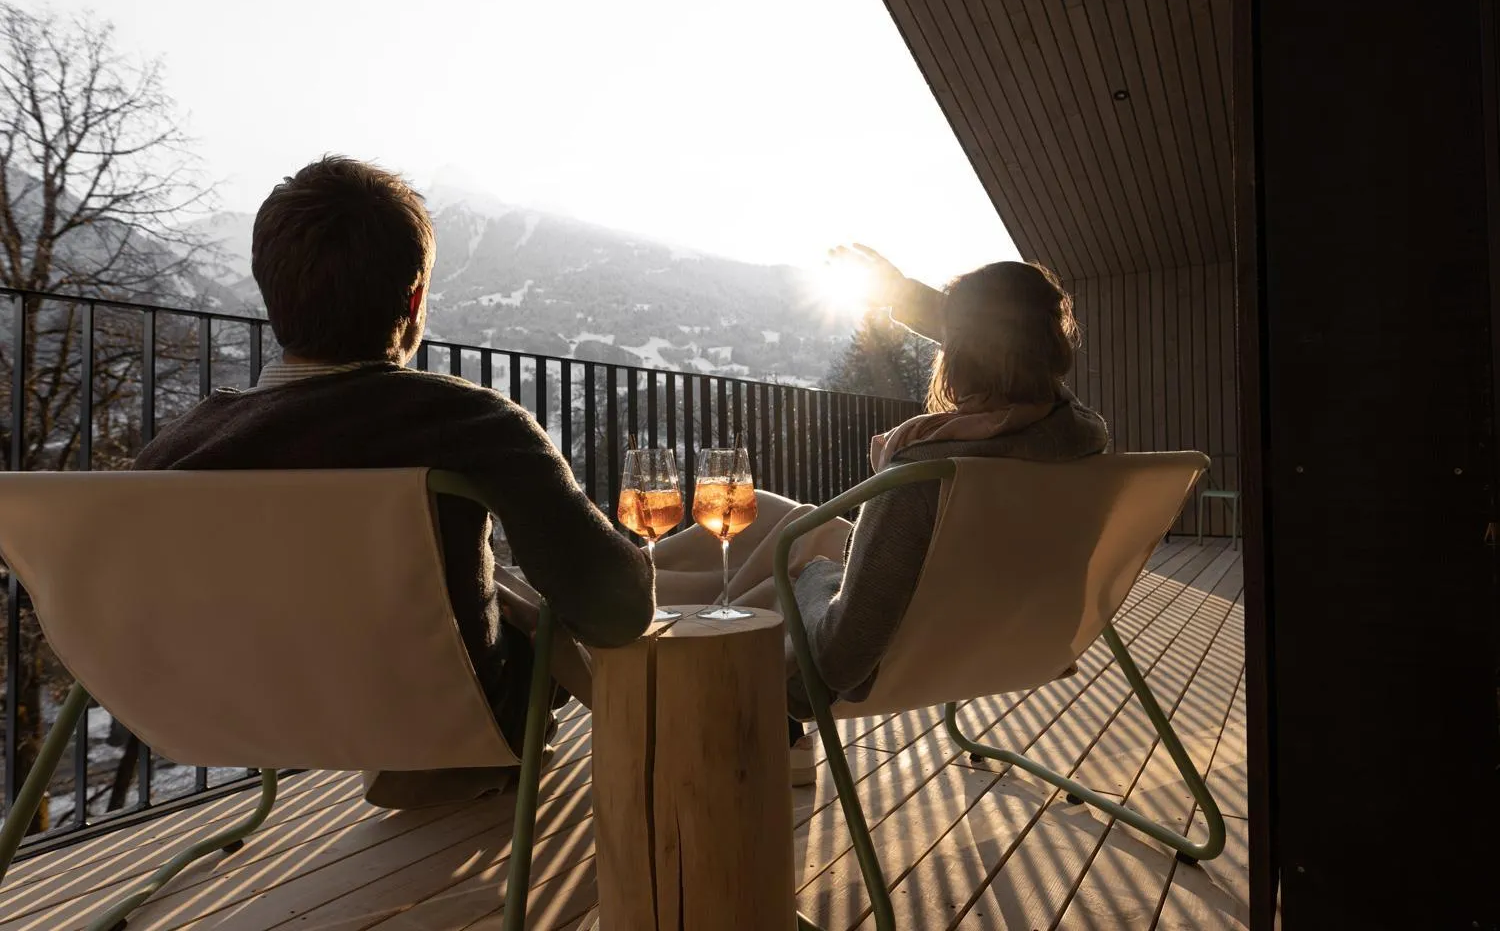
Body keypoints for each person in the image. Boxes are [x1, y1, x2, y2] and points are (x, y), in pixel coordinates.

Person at [134, 156, 654, 808]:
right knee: (541, 604)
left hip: (237, 716)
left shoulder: (175, 454)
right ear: (413, 300)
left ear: (272, 294)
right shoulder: (470, 422)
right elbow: (618, 610)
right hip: (464, 714)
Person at [654, 245, 1109, 785]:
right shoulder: (1075, 439)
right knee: (789, 517)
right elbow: (1007, 345)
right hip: (998, 631)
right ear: (1052, 349)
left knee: (789, 557)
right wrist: (904, 293)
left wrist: (814, 574)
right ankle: (651, 579)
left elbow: (842, 659)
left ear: (959, 353)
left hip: (856, 662)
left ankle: (644, 599)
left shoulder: (927, 472)